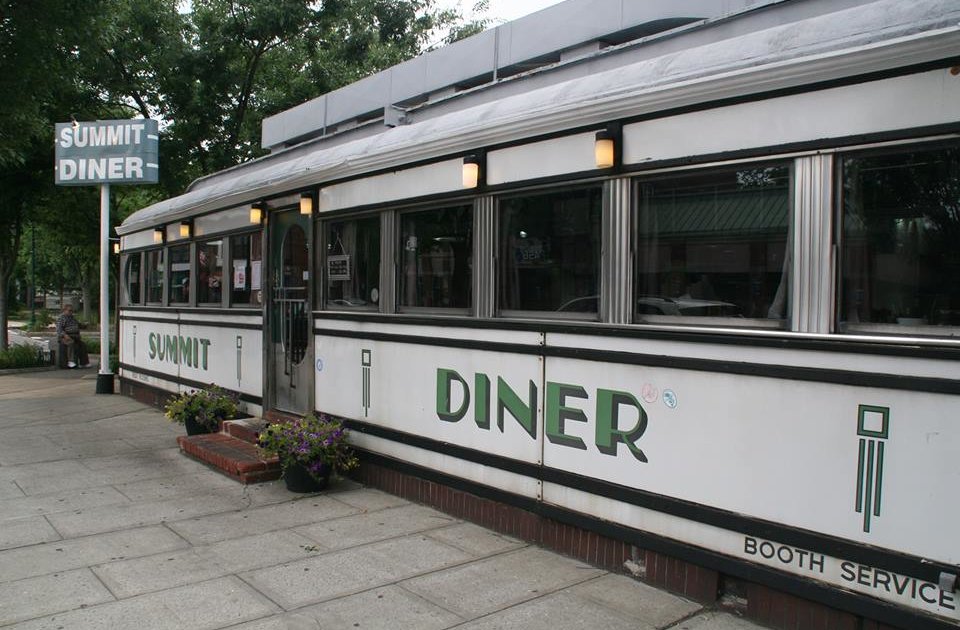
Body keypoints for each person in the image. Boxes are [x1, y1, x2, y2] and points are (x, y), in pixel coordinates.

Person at [55, 304, 89, 368]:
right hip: (64, 337)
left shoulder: (72, 318)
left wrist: (84, 325)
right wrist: (65, 335)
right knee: (71, 343)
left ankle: (84, 362)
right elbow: (59, 329)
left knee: (83, 345)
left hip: (74, 336)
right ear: (64, 310)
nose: (71, 312)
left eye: (72, 311)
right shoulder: (61, 318)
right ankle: (71, 361)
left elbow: (78, 325)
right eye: (69, 310)